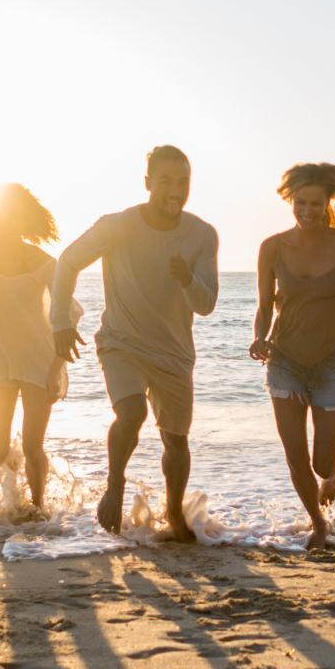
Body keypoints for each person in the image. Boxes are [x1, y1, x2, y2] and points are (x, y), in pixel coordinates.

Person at [51, 145, 218, 542]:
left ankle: (174, 512)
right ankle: (115, 485)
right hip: (121, 342)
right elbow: (67, 262)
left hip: (174, 352)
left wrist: (186, 279)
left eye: (183, 182)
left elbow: (206, 304)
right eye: (165, 181)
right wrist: (59, 320)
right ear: (147, 183)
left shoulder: (202, 234)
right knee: (132, 413)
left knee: (176, 440)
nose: (175, 191)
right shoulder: (118, 226)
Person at [250, 159, 335, 549]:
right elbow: (263, 306)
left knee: (321, 462)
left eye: (315, 204)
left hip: (332, 361)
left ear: (327, 203)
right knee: (296, 457)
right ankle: (318, 524)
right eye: (301, 203)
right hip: (285, 361)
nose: (308, 212)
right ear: (290, 200)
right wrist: (259, 337)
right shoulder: (271, 247)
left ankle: (332, 473)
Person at [0, 183, 71, 518]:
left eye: (15, 217)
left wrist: (56, 366)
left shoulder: (45, 262)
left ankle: (37, 511)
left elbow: (66, 315)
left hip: (39, 358)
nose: (8, 224)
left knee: (33, 445)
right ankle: (10, 497)